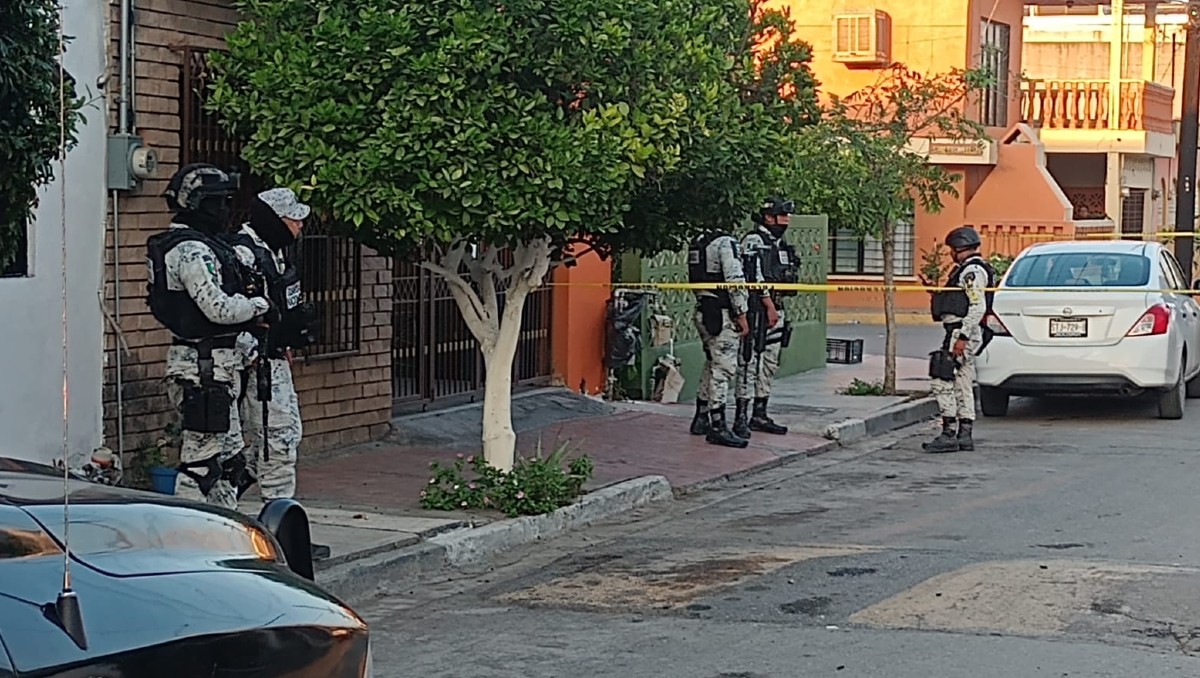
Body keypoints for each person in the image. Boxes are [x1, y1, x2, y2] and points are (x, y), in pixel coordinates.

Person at [146, 163, 271, 507]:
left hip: (218, 366)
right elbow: (217, 309)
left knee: (230, 463)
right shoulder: (189, 250)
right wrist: (260, 304)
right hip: (201, 371)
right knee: (201, 464)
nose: (225, 210)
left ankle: (223, 529)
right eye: (220, 202)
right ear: (200, 203)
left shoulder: (205, 244)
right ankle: (186, 533)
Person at [226, 188, 317, 505]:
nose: (300, 226)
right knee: (276, 439)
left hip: (273, 357)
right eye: (294, 220)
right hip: (250, 362)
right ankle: (279, 522)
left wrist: (285, 341)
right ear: (276, 220)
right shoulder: (241, 253)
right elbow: (226, 310)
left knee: (286, 434)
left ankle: (245, 488)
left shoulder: (274, 252)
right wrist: (251, 350)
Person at [923, 226, 996, 453]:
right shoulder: (969, 270)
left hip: (961, 331)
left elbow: (977, 306)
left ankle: (948, 432)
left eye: (952, 249)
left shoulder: (971, 272)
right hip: (963, 331)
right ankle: (964, 434)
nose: (951, 254)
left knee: (941, 378)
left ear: (959, 247)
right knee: (964, 381)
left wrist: (962, 337)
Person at [734, 197, 797, 438]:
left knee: (769, 362)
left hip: (776, 308)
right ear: (769, 217)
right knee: (749, 362)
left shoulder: (778, 243)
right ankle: (741, 415)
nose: (787, 220)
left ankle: (760, 412)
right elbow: (752, 277)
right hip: (757, 310)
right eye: (783, 215)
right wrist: (768, 305)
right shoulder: (753, 240)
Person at [687, 227, 751, 448]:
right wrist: (742, 313)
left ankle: (701, 416)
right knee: (723, 369)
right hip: (722, 314)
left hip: (703, 309)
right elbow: (734, 278)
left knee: (712, 364)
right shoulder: (726, 243)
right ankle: (718, 425)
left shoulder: (699, 241)